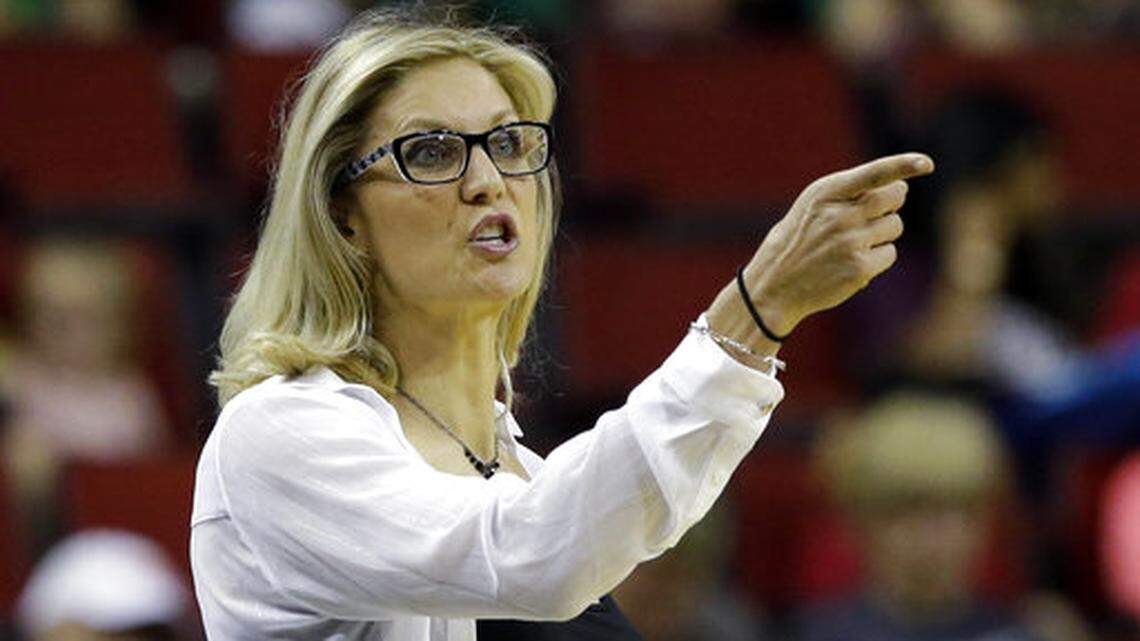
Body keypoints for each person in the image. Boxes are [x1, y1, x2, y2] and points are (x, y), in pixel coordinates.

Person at [189, 7, 933, 640]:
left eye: (509, 144)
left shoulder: (527, 474)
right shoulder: (281, 433)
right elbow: (528, 557)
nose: (488, 181)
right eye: (433, 153)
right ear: (341, 215)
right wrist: (754, 311)